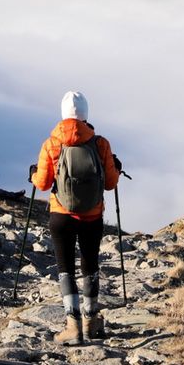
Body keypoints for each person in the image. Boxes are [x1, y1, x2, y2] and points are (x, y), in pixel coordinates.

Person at [30, 91, 120, 346]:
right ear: (86, 114)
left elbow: (44, 183)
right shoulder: (100, 143)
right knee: (90, 264)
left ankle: (73, 326)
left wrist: (33, 174)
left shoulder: (52, 144)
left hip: (61, 215)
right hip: (92, 215)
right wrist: (116, 167)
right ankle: (91, 320)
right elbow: (111, 183)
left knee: (65, 268)